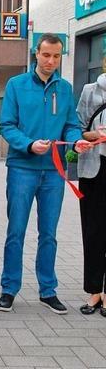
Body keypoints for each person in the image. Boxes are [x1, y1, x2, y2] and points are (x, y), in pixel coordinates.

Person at [0, 33, 92, 314]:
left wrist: (76, 141)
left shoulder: (64, 88)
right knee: (16, 231)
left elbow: (71, 125)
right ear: (35, 53)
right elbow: (7, 125)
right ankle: (9, 288)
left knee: (48, 234)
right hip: (22, 169)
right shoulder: (16, 85)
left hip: (53, 172)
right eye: (46, 55)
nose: (51, 61)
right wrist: (28, 145)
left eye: (56, 56)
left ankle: (48, 290)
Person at [76, 72, 106, 315]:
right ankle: (94, 291)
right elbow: (78, 127)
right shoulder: (90, 90)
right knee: (93, 231)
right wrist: (93, 135)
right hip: (93, 169)